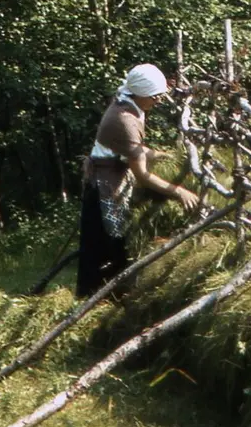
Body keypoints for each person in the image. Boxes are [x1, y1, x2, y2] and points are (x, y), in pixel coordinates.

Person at [77, 63, 201, 298]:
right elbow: (143, 176)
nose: (157, 102)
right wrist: (179, 191)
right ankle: (104, 297)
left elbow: (133, 149)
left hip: (112, 175)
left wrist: (159, 155)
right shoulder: (124, 119)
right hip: (105, 185)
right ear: (141, 94)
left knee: (102, 242)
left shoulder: (129, 104)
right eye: (154, 97)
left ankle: (106, 293)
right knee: (110, 241)